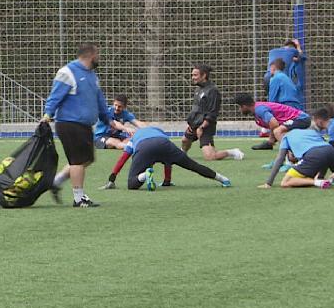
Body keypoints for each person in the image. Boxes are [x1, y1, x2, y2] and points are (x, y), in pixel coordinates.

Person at [42, 42, 113, 208]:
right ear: (90, 55)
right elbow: (55, 97)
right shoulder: (67, 72)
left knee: (87, 159)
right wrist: (47, 115)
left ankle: (56, 182)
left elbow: (99, 100)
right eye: (98, 54)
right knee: (77, 161)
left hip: (85, 125)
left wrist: (108, 119)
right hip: (69, 123)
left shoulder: (92, 75)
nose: (99, 58)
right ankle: (79, 198)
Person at [101, 126, 231, 190]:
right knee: (193, 165)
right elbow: (168, 161)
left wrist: (112, 178)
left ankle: (145, 175)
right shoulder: (160, 133)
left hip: (144, 147)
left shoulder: (134, 138)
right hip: (165, 144)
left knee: (131, 184)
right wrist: (167, 181)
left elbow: (123, 159)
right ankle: (222, 178)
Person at [260, 127, 334, 189]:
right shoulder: (310, 131)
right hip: (329, 150)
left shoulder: (286, 137)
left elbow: (279, 159)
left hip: (314, 155)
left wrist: (268, 183)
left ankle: (317, 183)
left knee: (285, 182)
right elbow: (323, 158)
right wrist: (322, 174)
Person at [181, 64, 244, 162]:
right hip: (194, 125)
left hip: (205, 126)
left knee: (210, 157)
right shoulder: (198, 89)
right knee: (185, 140)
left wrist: (202, 127)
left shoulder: (213, 91)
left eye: (195, 75)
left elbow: (212, 113)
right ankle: (183, 155)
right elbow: (196, 110)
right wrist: (191, 124)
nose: (193, 77)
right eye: (192, 75)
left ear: (204, 76)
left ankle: (233, 152)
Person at [234, 93, 311, 150]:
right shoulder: (257, 109)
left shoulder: (259, 109)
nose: (239, 110)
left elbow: (274, 124)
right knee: (281, 132)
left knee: (278, 131)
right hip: (297, 119)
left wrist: (271, 139)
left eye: (239, 107)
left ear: (243, 106)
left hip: (301, 119)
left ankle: (289, 154)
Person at [264, 38, 306, 108]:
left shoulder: (273, 52)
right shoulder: (294, 53)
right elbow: (302, 57)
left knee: (273, 99)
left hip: (267, 78)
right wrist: (298, 48)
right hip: (290, 99)